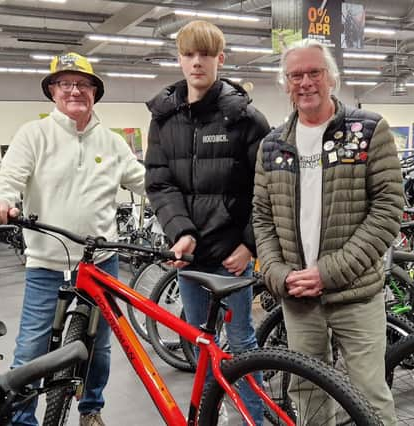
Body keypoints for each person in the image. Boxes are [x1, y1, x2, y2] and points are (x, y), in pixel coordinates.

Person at [0, 52, 145, 426]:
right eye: (65, 84)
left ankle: (91, 409)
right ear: (52, 91)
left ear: (95, 92)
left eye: (83, 84)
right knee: (32, 348)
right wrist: (0, 199)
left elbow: (147, 181)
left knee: (99, 346)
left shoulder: (112, 142)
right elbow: (10, 177)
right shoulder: (34, 135)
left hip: (101, 261)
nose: (74, 91)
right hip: (47, 261)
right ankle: (23, 418)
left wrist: (183, 193)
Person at [252, 39, 403, 425]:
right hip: (298, 297)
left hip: (355, 294)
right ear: (285, 83)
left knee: (369, 393)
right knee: (306, 393)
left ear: (331, 77)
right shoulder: (272, 145)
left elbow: (387, 210)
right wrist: (279, 276)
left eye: (314, 72)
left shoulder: (368, 130)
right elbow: (262, 218)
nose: (305, 82)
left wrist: (328, 272)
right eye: (295, 75)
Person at [144, 20, 270, 425]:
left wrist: (248, 244)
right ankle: (215, 412)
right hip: (190, 257)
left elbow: (266, 189)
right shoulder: (163, 118)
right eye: (188, 54)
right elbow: (160, 183)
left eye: (205, 54)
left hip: (232, 258)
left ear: (220, 58)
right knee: (199, 341)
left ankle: (254, 418)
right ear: (179, 59)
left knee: (242, 345)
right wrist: (179, 232)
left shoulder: (246, 117)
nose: (196, 62)